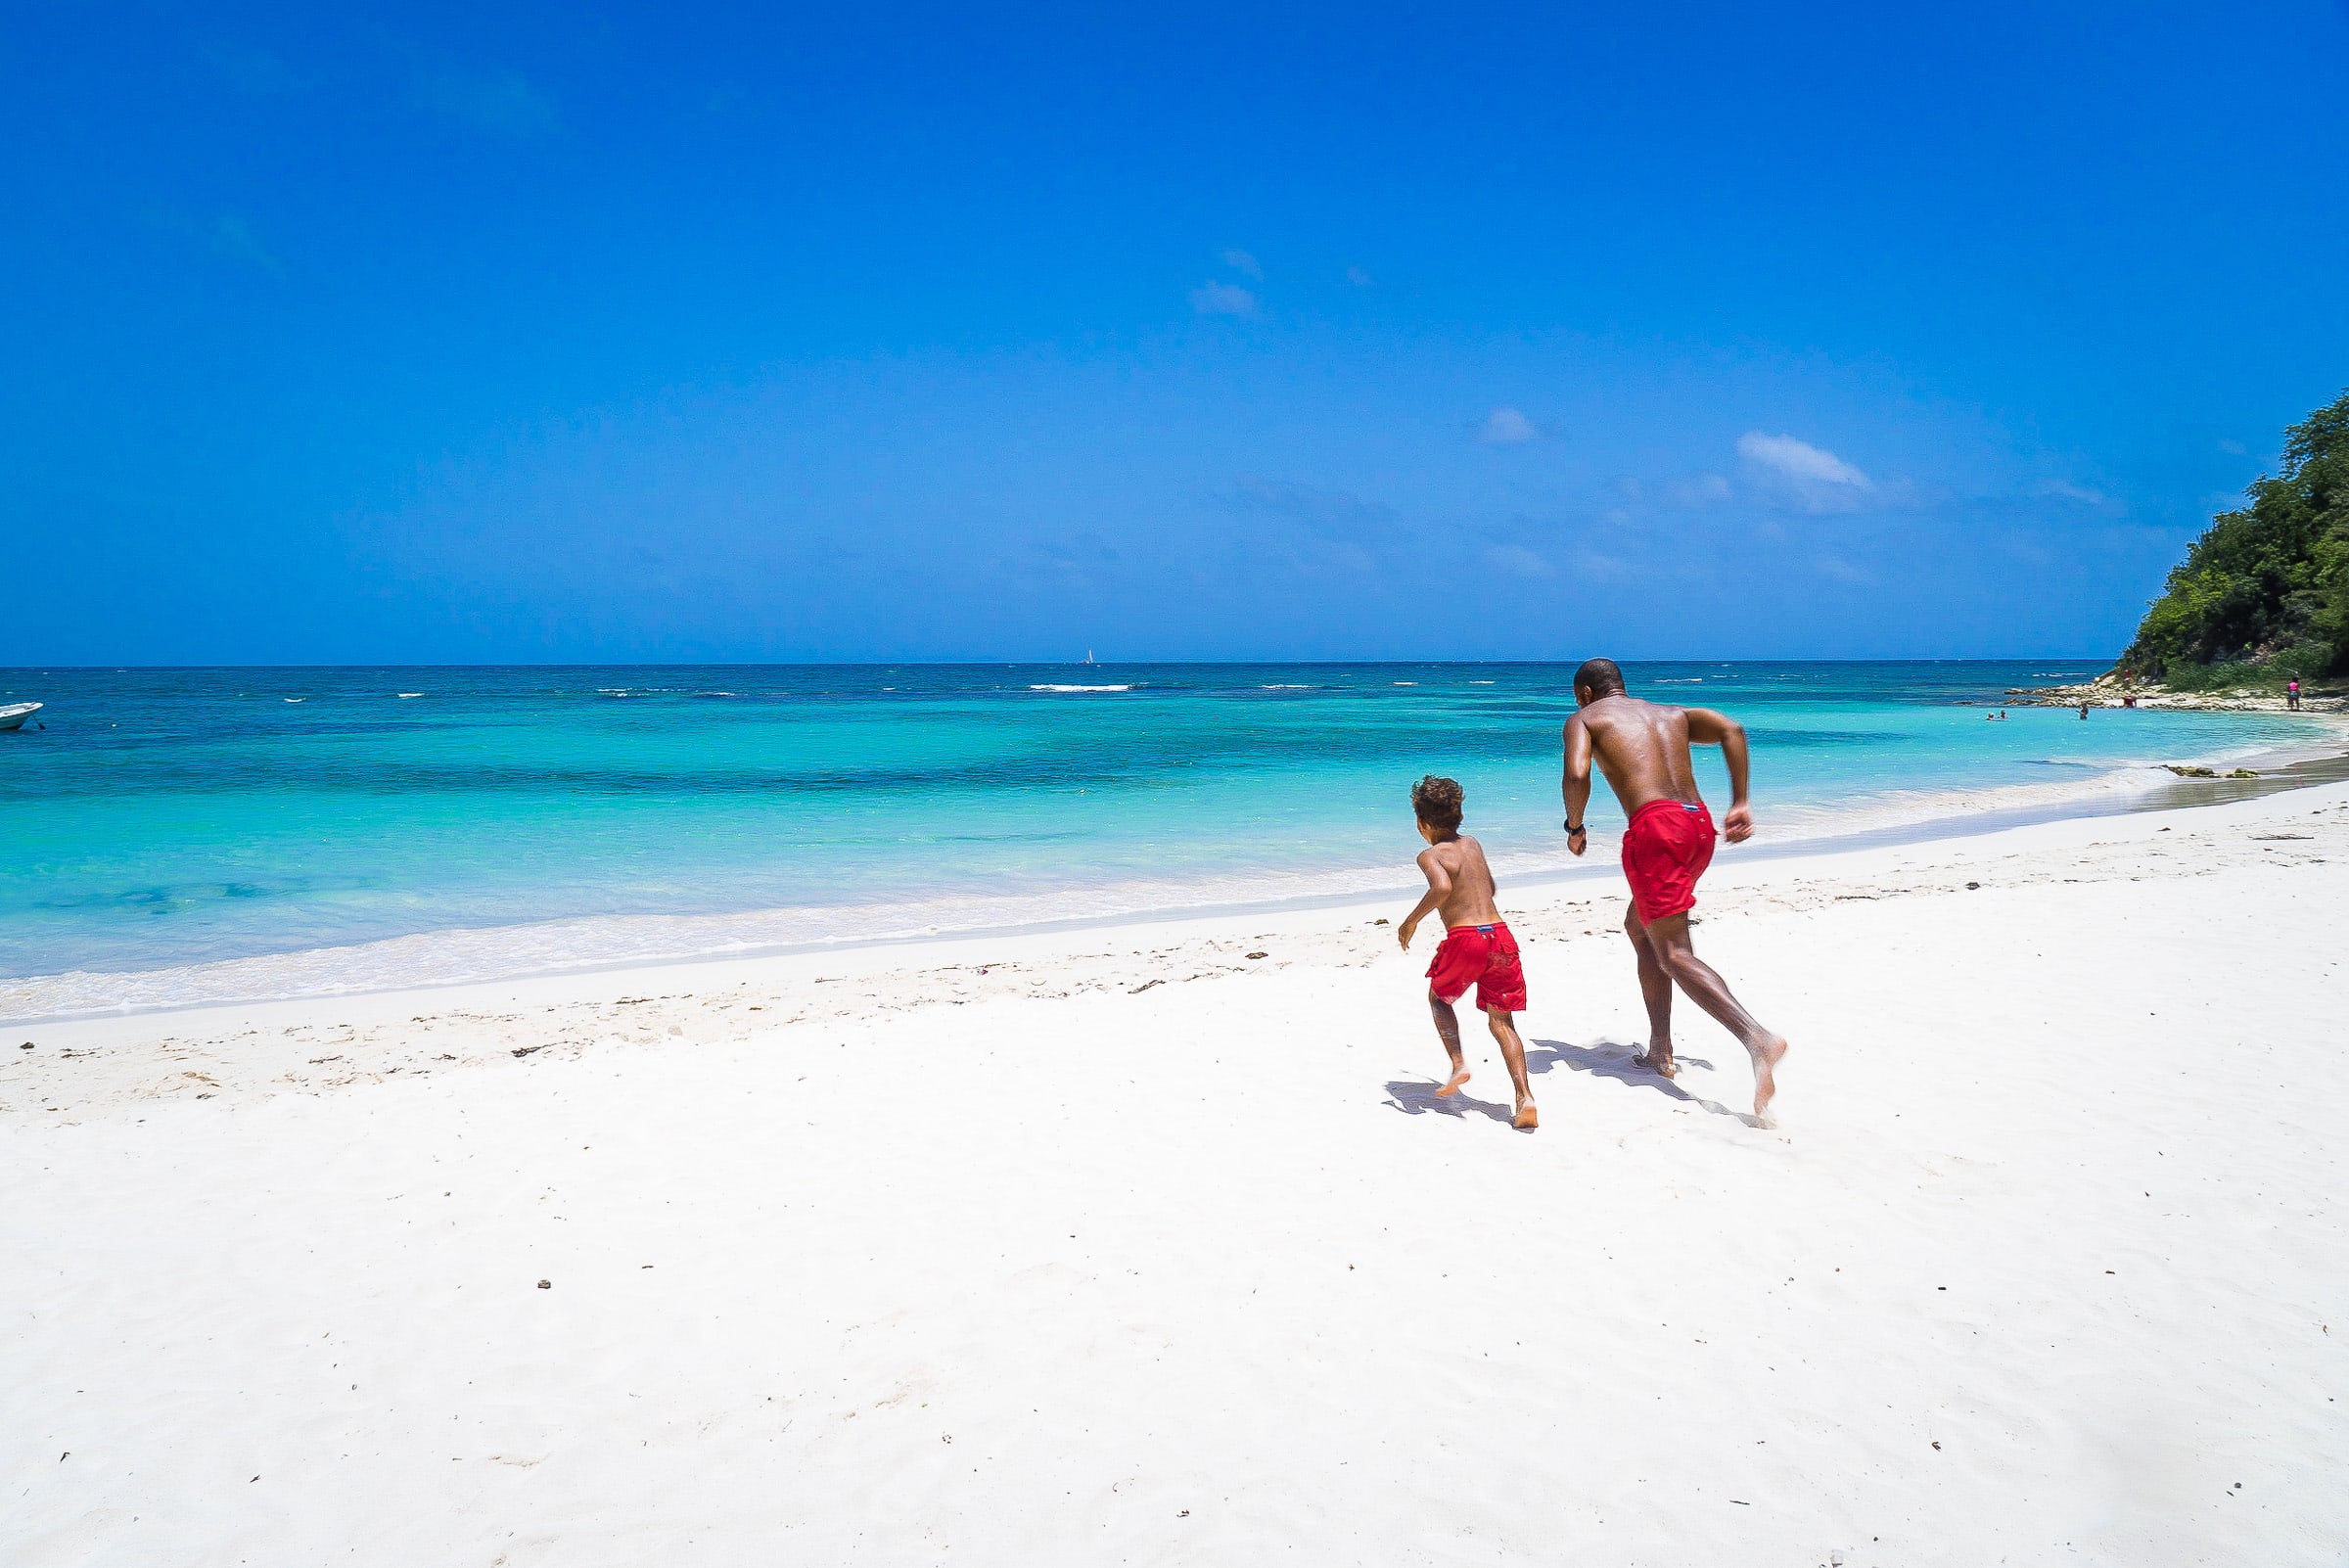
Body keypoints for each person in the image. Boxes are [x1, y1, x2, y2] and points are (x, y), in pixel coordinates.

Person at [1560, 658, 1788, 1123]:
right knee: (1639, 925)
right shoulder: (1670, 714)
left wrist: (1575, 824)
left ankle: (1757, 1039)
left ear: (1585, 693)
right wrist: (1740, 801)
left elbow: (1578, 774)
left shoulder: (1585, 718)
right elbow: (1733, 730)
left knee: (1674, 951)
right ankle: (1660, 1048)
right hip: (1697, 823)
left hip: (1656, 828)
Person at [1398, 774, 1537, 1130]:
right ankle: (1524, 1097)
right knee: (1503, 1022)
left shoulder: (1430, 854)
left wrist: (1411, 921)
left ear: (1421, 823)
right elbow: (1490, 886)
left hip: (1465, 938)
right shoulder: (1473, 844)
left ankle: (1458, 1062)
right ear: (1459, 815)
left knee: (1439, 999)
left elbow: (1442, 886)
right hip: (1500, 936)